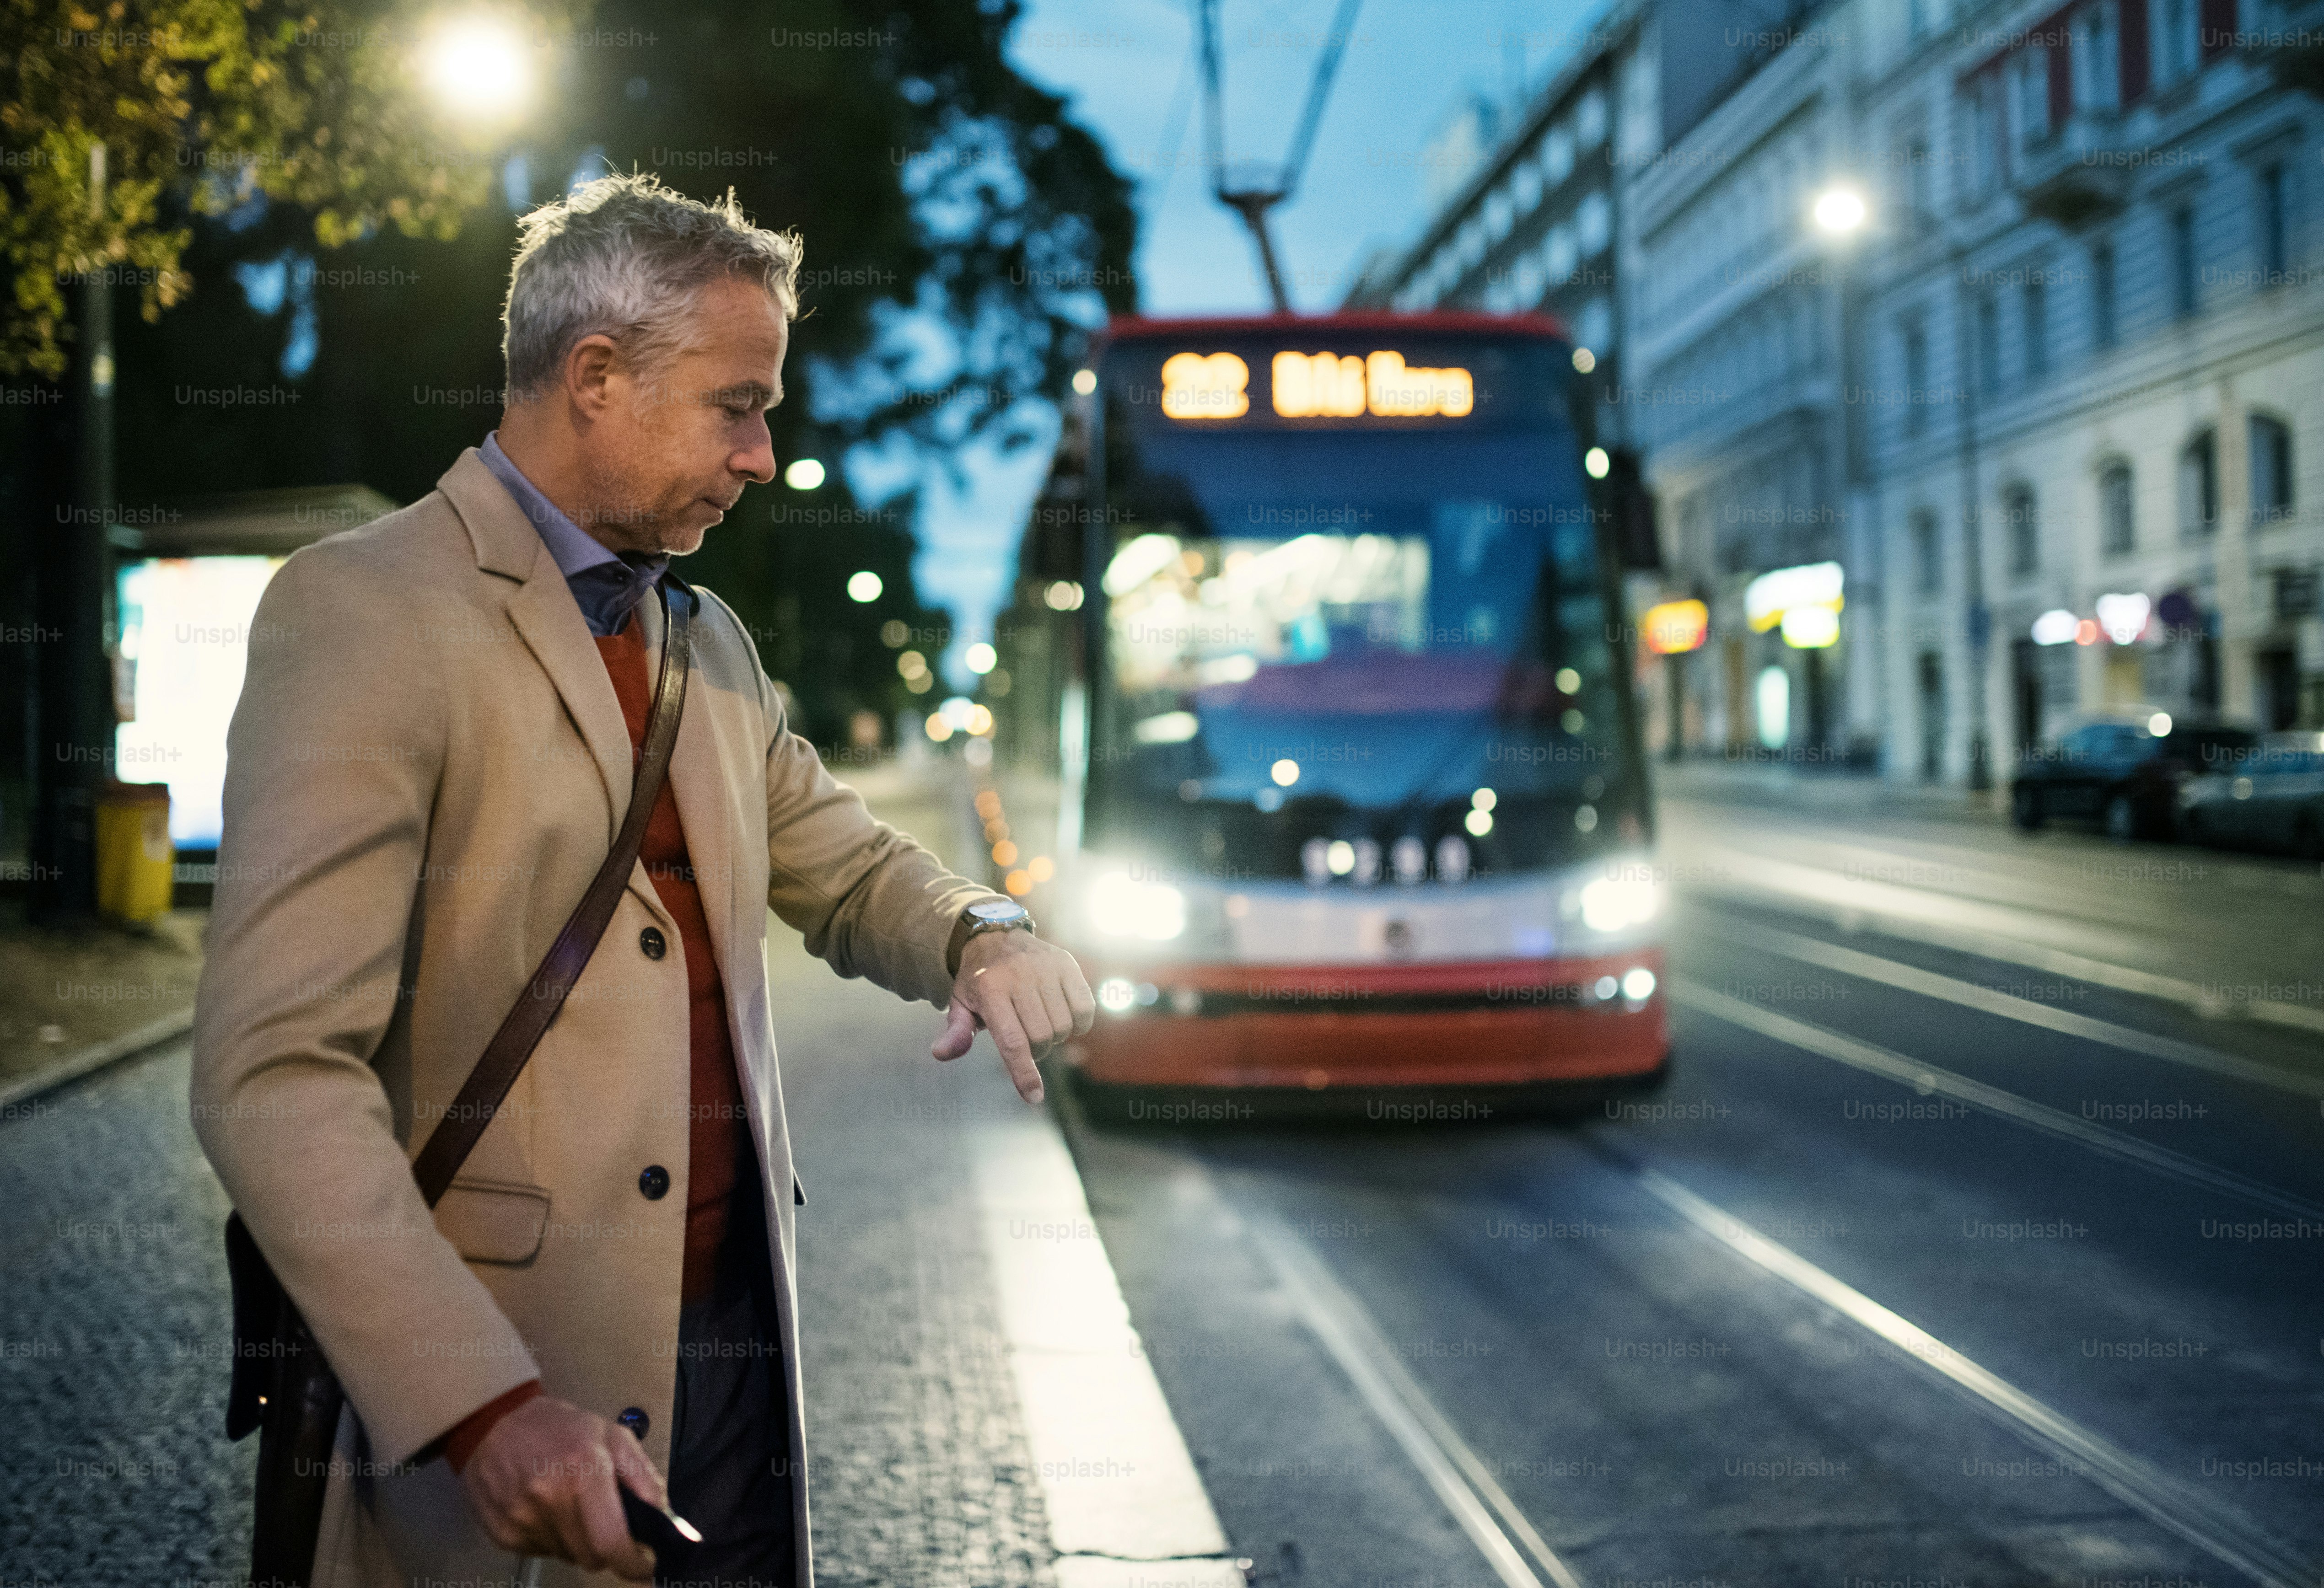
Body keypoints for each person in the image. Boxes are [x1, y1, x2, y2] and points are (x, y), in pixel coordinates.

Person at [190, 172, 1094, 1588]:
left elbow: (847, 864)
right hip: (508, 1397)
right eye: (739, 405)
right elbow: (276, 1076)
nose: (766, 455)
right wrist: (481, 1410)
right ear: (596, 376)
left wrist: (981, 930)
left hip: (734, 1365)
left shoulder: (707, 640)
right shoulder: (363, 609)